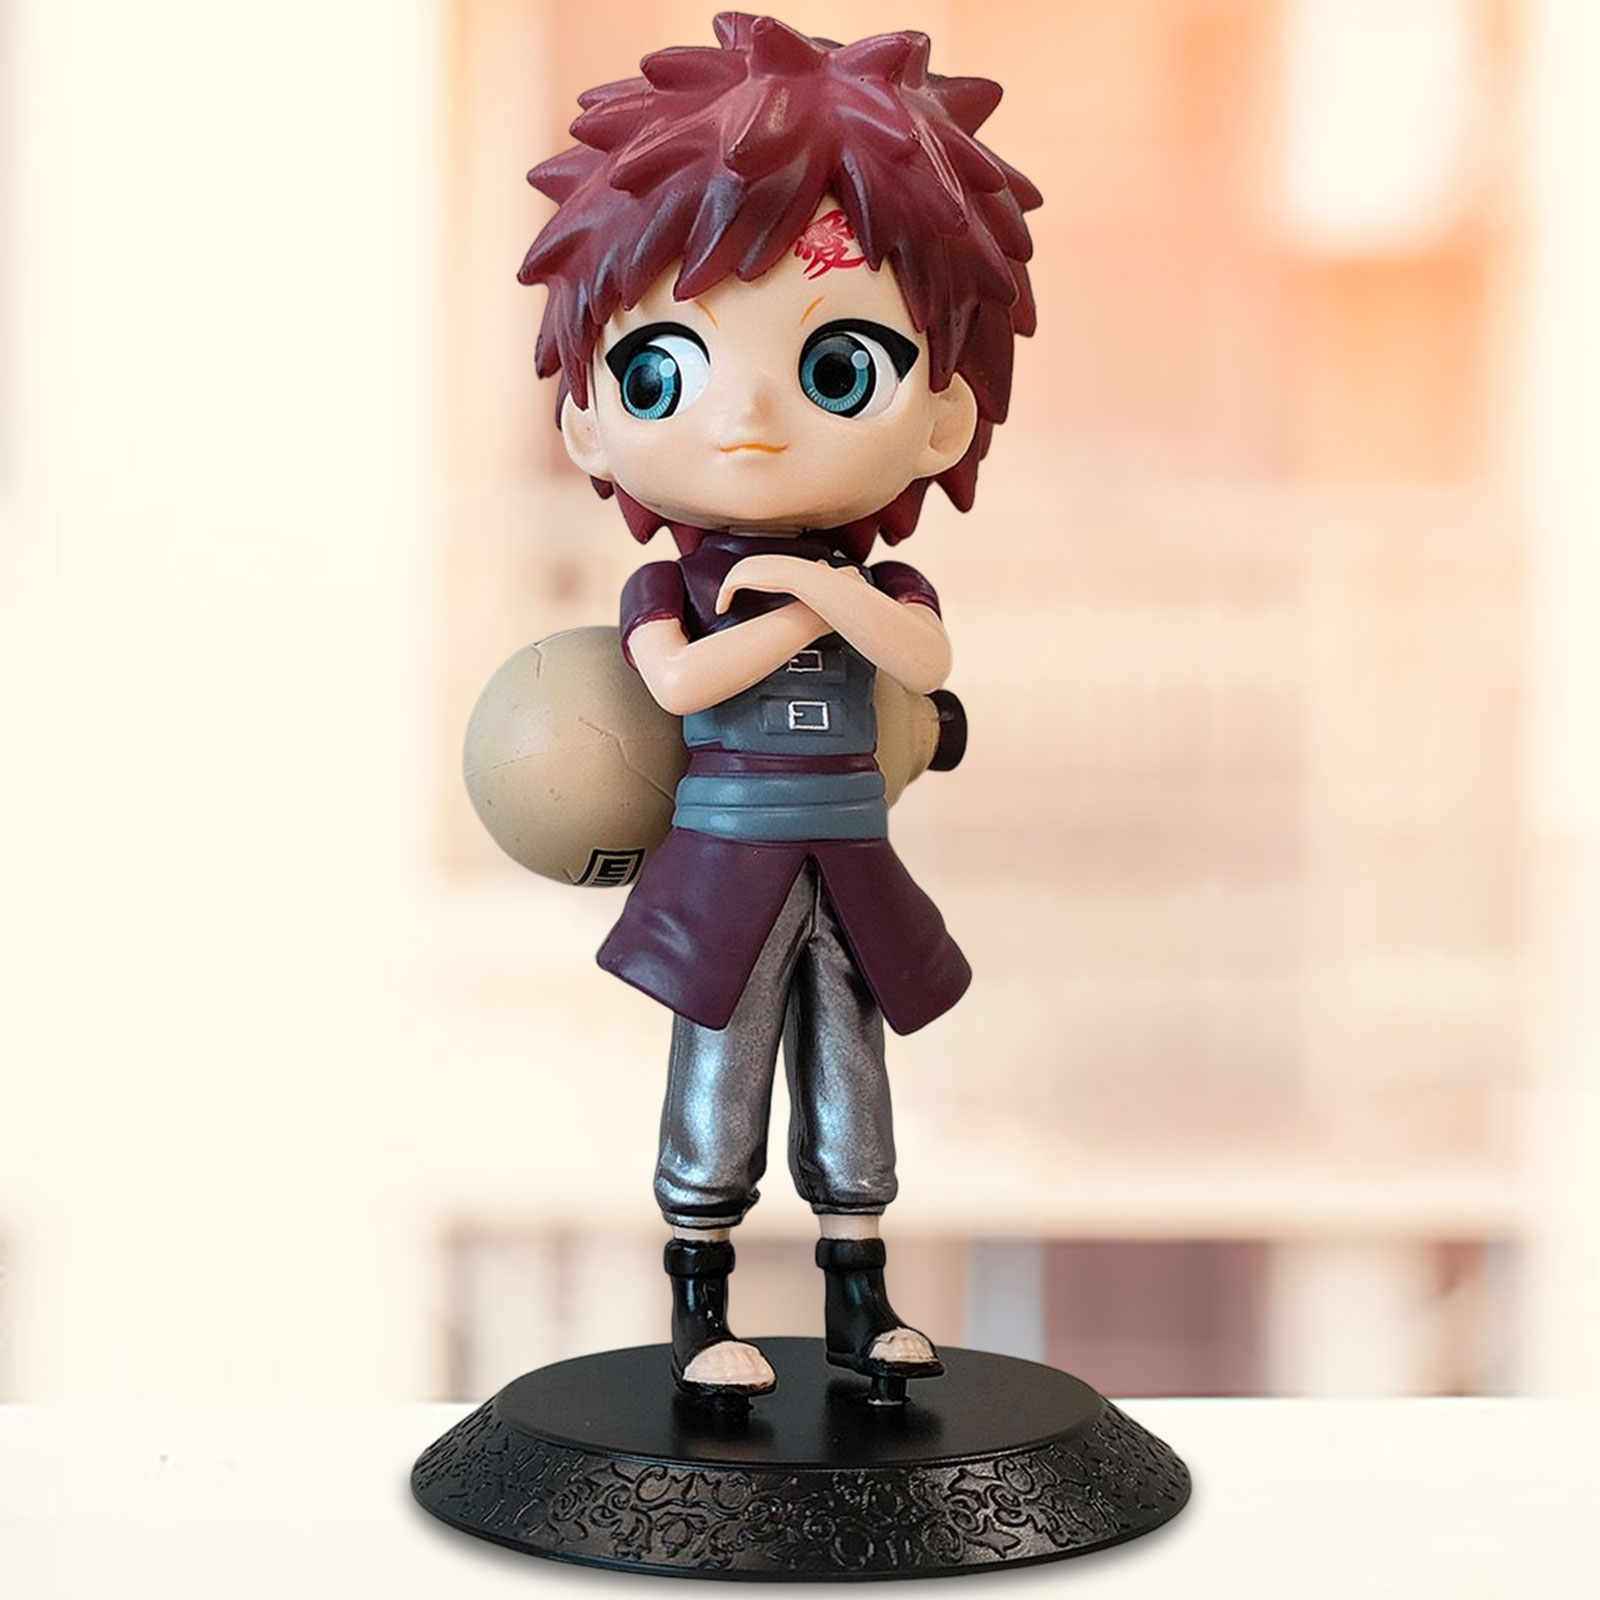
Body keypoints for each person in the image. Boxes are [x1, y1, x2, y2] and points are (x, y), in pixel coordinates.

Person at [517, 12, 1040, 1400]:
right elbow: (679, 685)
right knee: (718, 1077)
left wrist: (812, 592)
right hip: (726, 865)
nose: (749, 419)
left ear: (943, 415)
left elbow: (923, 660)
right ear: (587, 415)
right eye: (663, 369)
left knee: (850, 1075)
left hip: (851, 859)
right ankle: (701, 1307)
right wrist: (798, 610)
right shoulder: (668, 590)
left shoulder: (877, 585)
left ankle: (860, 1300)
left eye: (835, 367)